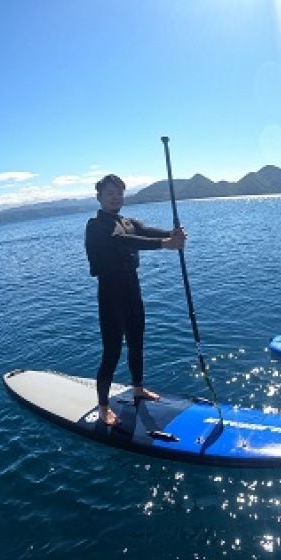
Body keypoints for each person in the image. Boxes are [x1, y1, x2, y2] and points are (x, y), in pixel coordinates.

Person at [85, 174, 186, 426]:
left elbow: (143, 231)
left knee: (137, 341)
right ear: (99, 197)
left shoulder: (127, 221)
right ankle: (103, 405)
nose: (115, 197)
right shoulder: (96, 225)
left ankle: (138, 388)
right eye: (110, 193)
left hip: (132, 288)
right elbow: (122, 241)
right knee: (112, 352)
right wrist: (165, 244)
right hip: (111, 293)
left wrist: (173, 233)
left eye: (119, 193)